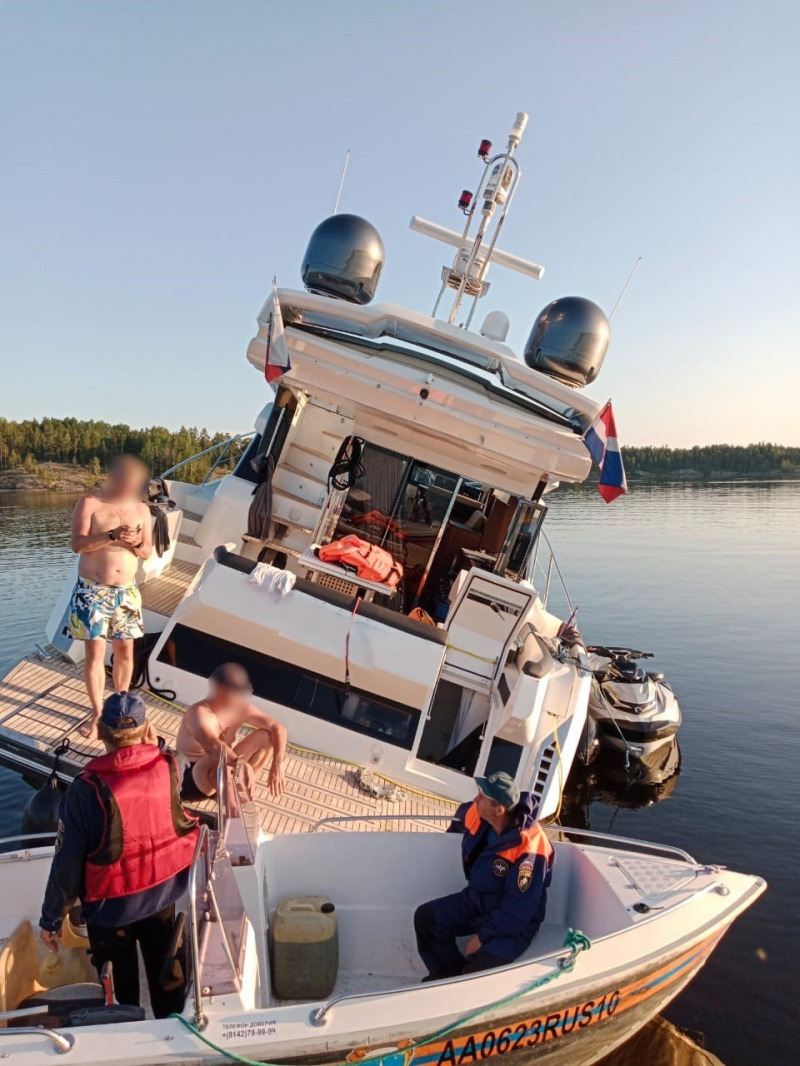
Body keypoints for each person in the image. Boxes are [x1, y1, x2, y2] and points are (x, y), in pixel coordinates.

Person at [39, 692, 199, 1018]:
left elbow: (66, 865)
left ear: (101, 732)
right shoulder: (168, 766)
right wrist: (154, 744)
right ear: (146, 728)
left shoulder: (85, 790)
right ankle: (170, 1028)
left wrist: (51, 920)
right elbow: (167, 765)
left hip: (111, 909)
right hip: (162, 894)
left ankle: (128, 1028)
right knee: (165, 972)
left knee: (120, 988)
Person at [414, 771, 554, 980]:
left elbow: (520, 908)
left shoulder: (530, 849)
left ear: (499, 809)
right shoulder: (477, 814)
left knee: (477, 972)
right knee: (426, 918)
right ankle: (447, 973)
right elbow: (459, 821)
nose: (475, 800)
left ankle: (461, 985)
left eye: (482, 797)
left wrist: (483, 936)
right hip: (476, 901)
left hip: (512, 923)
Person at [68, 454, 153, 739]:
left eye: (134, 483)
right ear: (113, 477)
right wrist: (111, 536)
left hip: (126, 591)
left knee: (126, 651)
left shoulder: (142, 510)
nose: (129, 487)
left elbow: (146, 551)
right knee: (95, 653)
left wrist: (136, 542)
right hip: (93, 589)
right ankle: (96, 713)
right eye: (125, 481)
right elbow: (77, 545)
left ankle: (120, 707)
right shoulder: (91, 503)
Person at [176, 663, 287, 802]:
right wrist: (240, 764)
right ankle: (231, 795)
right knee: (217, 756)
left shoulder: (240, 708)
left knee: (267, 737)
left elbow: (279, 728)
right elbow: (212, 745)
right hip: (190, 779)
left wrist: (278, 765)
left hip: (221, 769)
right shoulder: (199, 713)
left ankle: (241, 790)